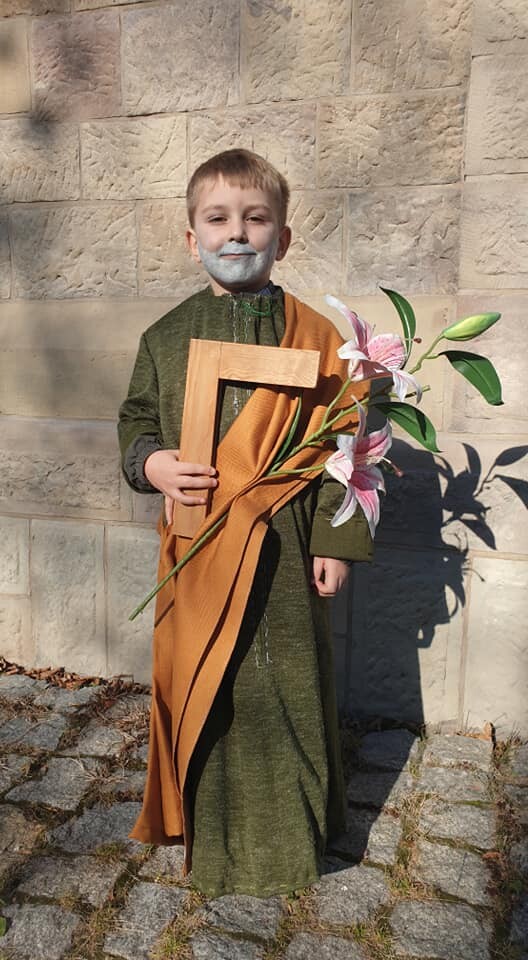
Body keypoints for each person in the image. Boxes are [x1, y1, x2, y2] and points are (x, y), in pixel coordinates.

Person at [118, 149, 373, 898]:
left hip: (289, 551)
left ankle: (294, 841)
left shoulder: (321, 338)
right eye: (218, 219)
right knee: (213, 687)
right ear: (190, 236)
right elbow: (136, 423)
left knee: (290, 687)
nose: (237, 234)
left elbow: (350, 445)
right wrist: (154, 463)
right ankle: (218, 842)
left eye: (256, 219)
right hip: (198, 550)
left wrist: (334, 539)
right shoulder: (165, 337)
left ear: (282, 238)